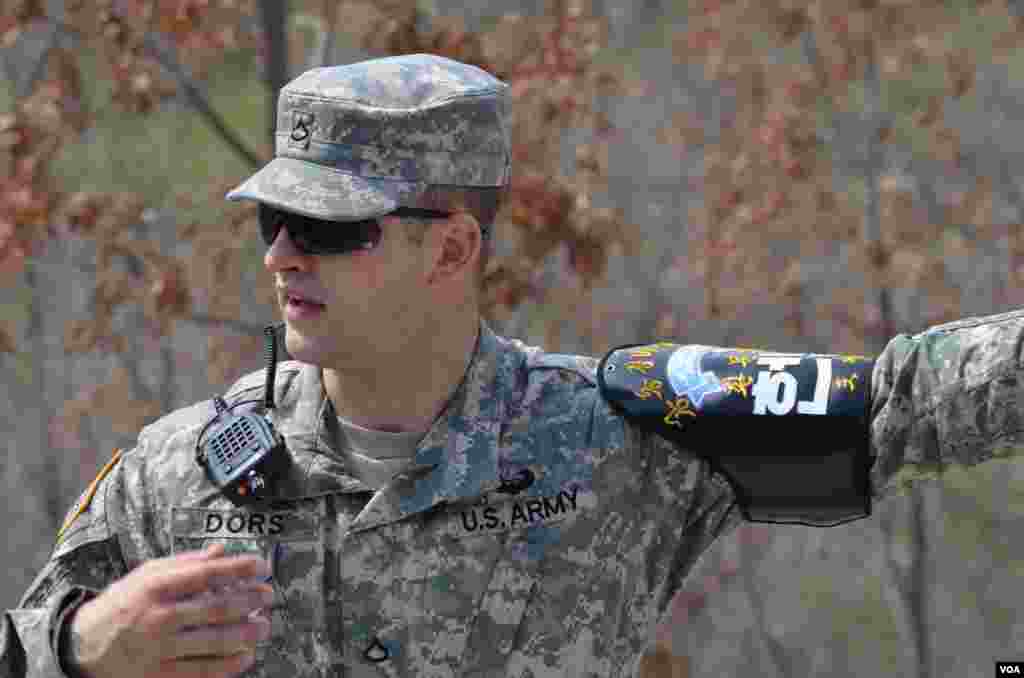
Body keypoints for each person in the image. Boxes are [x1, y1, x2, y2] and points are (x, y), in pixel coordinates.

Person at [1, 53, 1020, 678]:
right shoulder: (181, 477)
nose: (280, 255)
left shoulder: (620, 440)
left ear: (451, 248)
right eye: (274, 218)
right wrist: (83, 652)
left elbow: (903, 403)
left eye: (326, 226)